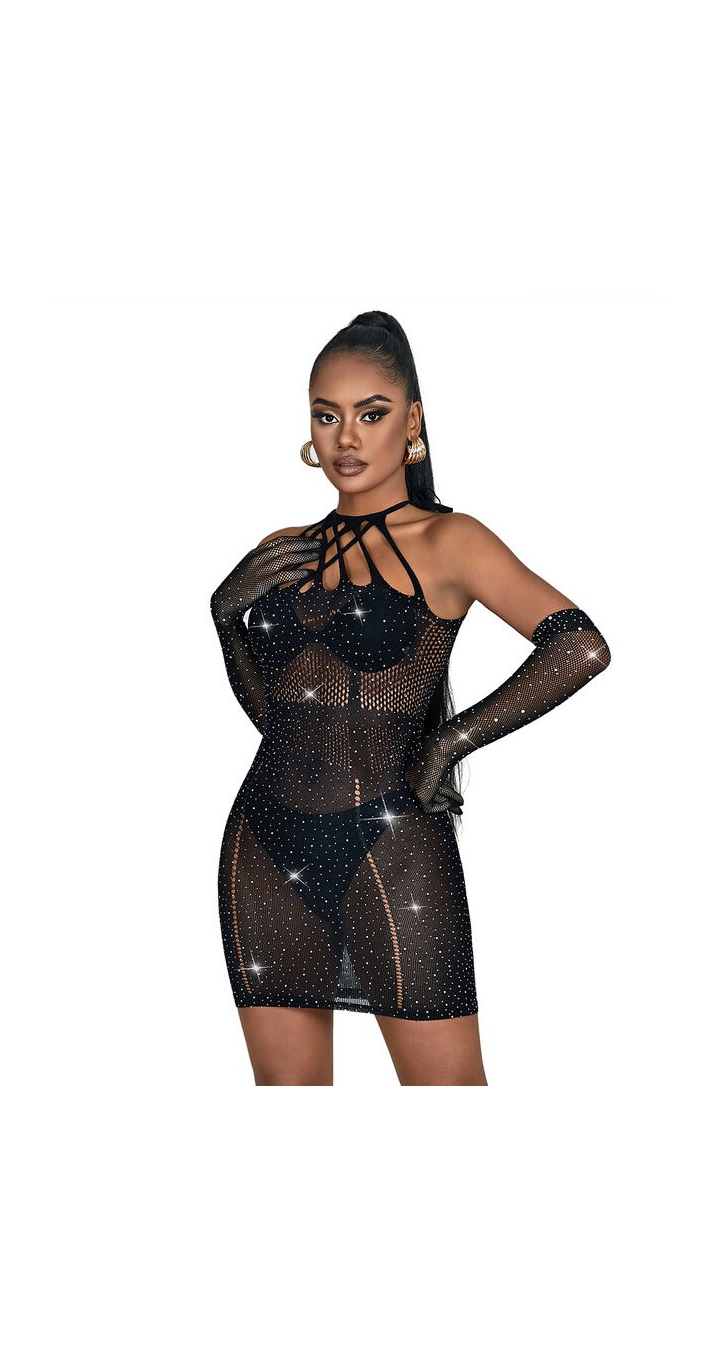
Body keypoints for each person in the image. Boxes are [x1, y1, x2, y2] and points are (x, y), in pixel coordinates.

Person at [210, 310, 611, 1086]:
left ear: (413, 422)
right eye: (326, 415)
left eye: (371, 414)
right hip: (262, 844)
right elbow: (277, 720)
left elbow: (580, 646)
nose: (346, 438)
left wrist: (450, 742)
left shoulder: (450, 542)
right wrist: (226, 618)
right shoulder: (281, 550)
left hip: (393, 846)